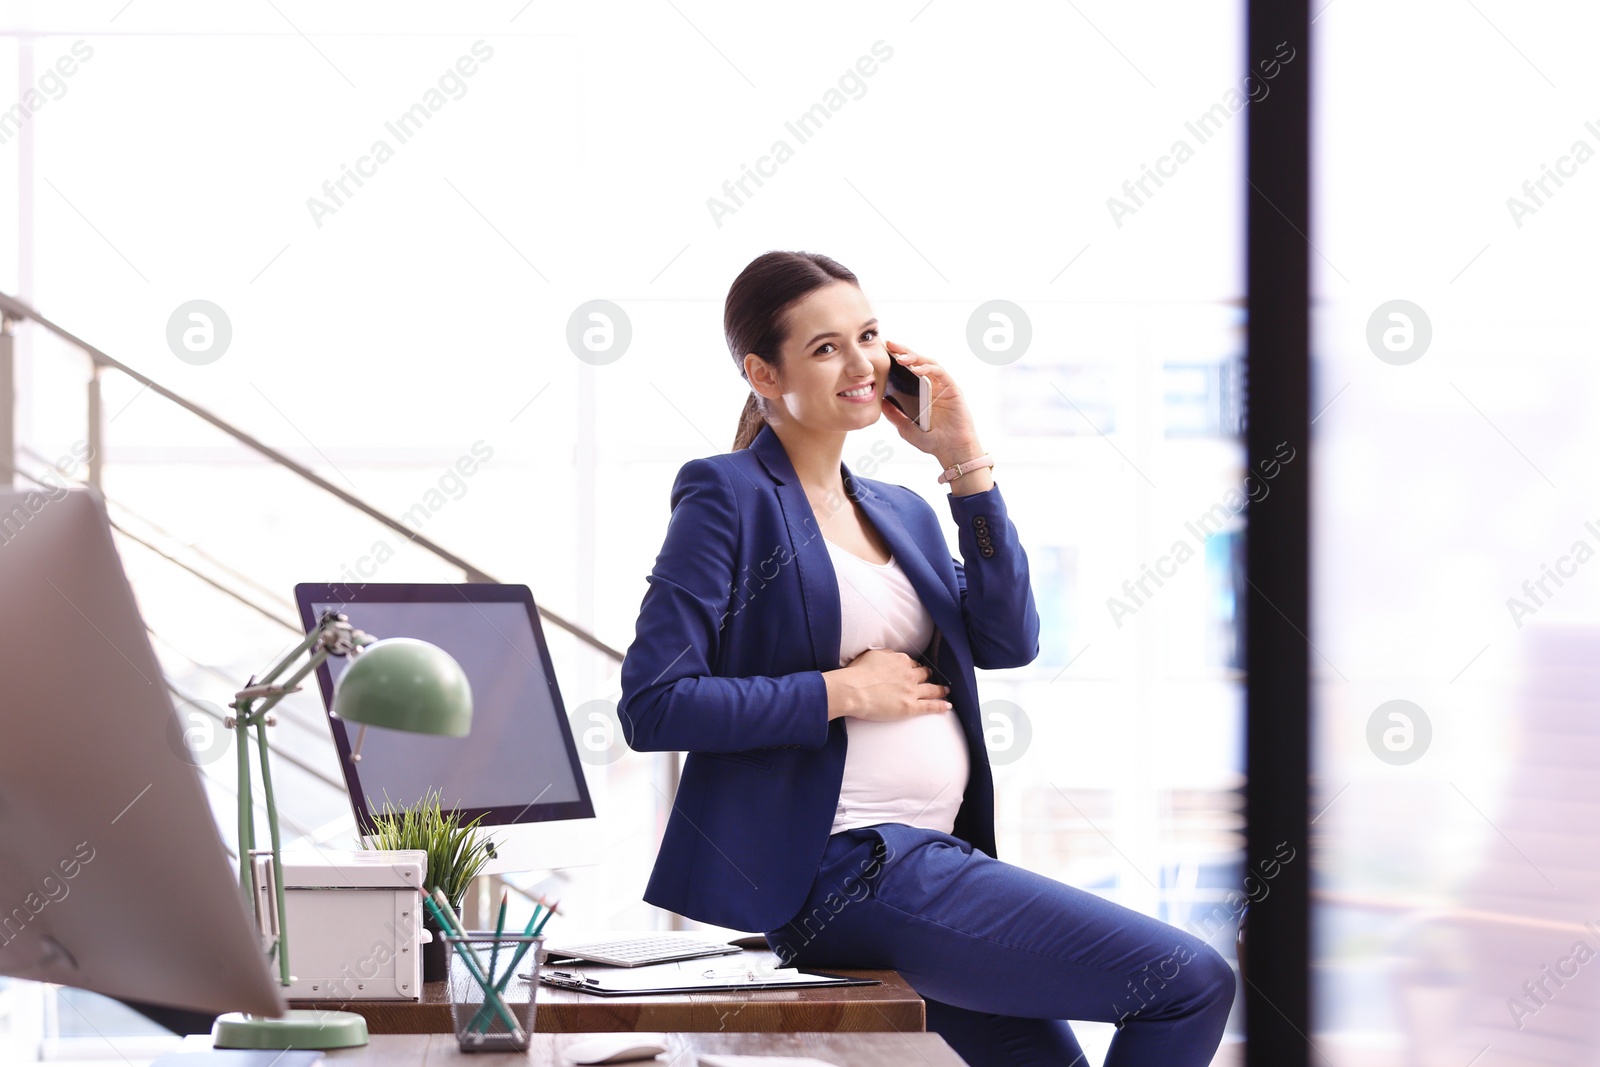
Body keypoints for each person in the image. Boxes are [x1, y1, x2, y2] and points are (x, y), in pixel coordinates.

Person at [618, 250, 1235, 1066]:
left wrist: (964, 460)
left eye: (869, 335)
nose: (863, 362)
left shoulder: (898, 508)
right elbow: (654, 703)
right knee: (1187, 981)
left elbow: (1010, 639)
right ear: (763, 373)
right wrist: (841, 689)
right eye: (826, 346)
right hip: (846, 868)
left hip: (930, 861)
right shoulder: (727, 495)